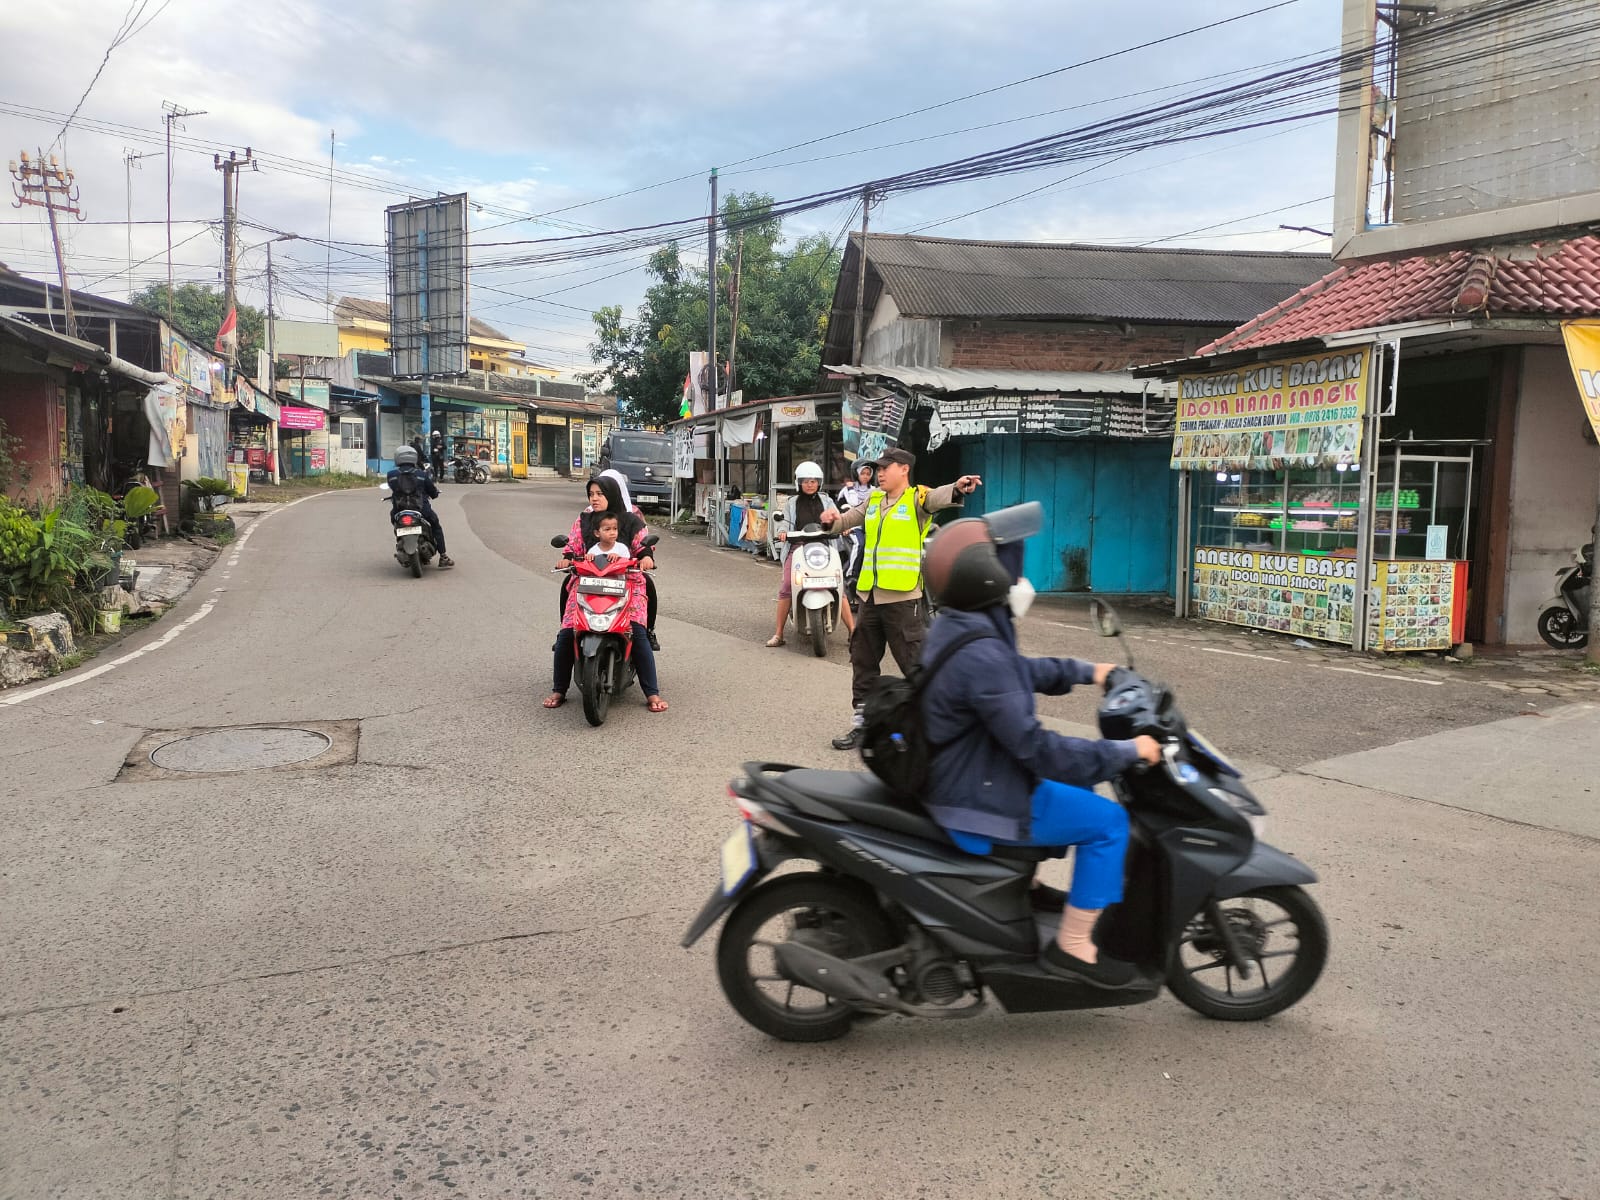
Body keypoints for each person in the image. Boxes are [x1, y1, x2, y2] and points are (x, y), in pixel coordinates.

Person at [918, 505, 1162, 989]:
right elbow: (1038, 749)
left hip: (966, 773)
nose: (1022, 580)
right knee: (1109, 822)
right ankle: (1074, 946)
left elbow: (1019, 672)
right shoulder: (983, 652)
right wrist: (1127, 753)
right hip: (977, 797)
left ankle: (1023, 886)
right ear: (987, 580)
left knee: (1081, 793)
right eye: (1014, 568)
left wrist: (1090, 671)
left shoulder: (961, 626)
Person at [820, 447, 981, 750]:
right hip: (869, 596)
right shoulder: (874, 500)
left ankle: (941, 726)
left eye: (885, 468)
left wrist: (958, 487)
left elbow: (939, 497)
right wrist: (831, 520)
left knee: (915, 665)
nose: (879, 473)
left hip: (902, 599)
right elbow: (846, 520)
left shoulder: (917, 498)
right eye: (877, 469)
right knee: (863, 663)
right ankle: (864, 724)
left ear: (904, 469)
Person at [544, 488, 666, 713]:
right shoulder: (584, 519)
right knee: (566, 633)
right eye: (591, 493)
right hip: (589, 581)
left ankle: (652, 692)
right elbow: (573, 546)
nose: (594, 498)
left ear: (612, 493)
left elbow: (642, 546)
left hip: (627, 581)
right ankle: (558, 689)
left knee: (637, 632)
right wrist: (567, 559)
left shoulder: (632, 517)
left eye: (600, 493)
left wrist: (646, 557)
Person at [766, 460, 854, 647]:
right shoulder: (792, 502)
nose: (810, 484)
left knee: (839, 585)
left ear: (819, 483)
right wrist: (782, 532)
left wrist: (843, 526)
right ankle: (779, 634)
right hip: (798, 547)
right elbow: (784, 522)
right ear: (798, 482)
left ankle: (854, 632)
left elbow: (837, 517)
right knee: (787, 585)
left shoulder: (827, 501)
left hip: (824, 547)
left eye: (813, 481)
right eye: (805, 481)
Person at [386, 445, 454, 568]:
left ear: (397, 458)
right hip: (421, 509)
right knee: (436, 525)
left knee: (395, 522)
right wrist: (434, 494)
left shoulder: (391, 475)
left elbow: (393, 488)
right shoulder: (421, 474)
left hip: (399, 510)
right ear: (414, 458)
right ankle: (443, 556)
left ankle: (401, 542)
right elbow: (432, 491)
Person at [835, 460, 876, 602]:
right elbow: (843, 508)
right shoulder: (847, 490)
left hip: (870, 526)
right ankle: (851, 573)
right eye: (863, 473)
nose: (865, 476)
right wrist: (844, 526)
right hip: (852, 527)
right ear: (856, 473)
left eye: (868, 474)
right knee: (859, 544)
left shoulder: (875, 490)